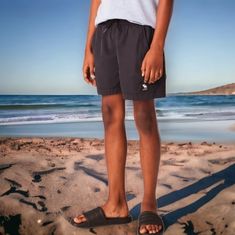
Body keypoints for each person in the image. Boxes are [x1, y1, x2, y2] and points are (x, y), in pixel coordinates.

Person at [72, 0, 173, 234]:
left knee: (144, 116)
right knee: (110, 116)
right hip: (104, 32)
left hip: (139, 30)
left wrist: (157, 45)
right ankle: (116, 204)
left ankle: (149, 204)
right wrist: (88, 47)